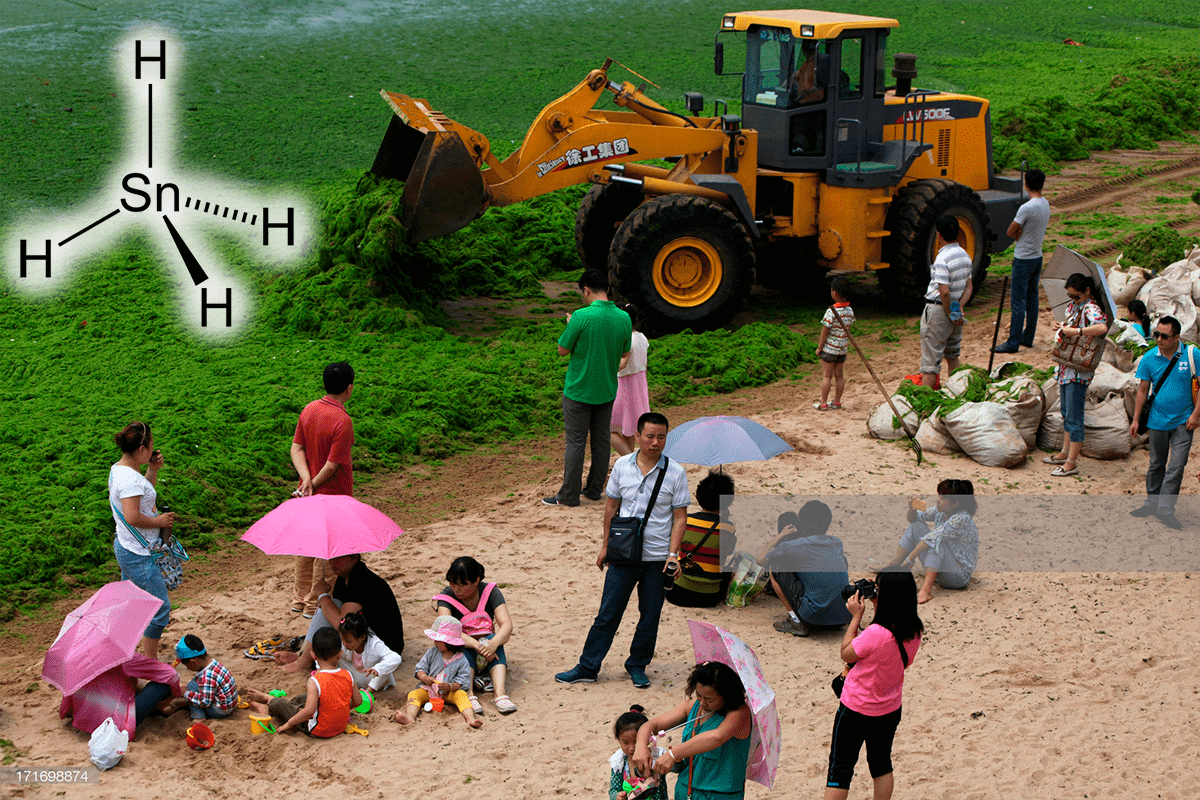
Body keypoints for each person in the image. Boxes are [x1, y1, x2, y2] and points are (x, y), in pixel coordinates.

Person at [556, 412, 690, 688]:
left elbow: (680, 517)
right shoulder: (621, 466)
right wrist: (605, 545)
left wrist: (673, 555)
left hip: (657, 559)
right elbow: (611, 506)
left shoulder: (675, 472)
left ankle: (637, 665)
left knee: (650, 616)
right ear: (637, 436)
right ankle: (588, 666)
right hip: (623, 553)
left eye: (661, 437)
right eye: (650, 436)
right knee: (608, 613)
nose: (655, 442)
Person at [823, 569, 923, 800]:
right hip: (888, 710)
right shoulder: (914, 631)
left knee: (840, 771)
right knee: (881, 765)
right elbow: (900, 660)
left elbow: (846, 654)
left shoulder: (876, 633)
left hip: (855, 710)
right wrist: (879, 601)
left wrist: (856, 616)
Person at [544, 269, 632, 507]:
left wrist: (571, 324)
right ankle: (594, 490)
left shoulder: (581, 316)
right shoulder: (624, 318)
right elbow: (625, 353)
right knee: (601, 441)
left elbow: (563, 349)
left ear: (587, 289)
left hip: (578, 390)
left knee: (575, 442)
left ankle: (569, 496)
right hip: (606, 389)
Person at [290, 361, 355, 617]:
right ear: (349, 388)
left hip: (307, 493)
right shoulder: (343, 420)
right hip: (333, 494)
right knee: (327, 553)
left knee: (306, 547)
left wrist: (305, 481)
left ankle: (298, 598)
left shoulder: (309, 410)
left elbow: (296, 448)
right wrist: (314, 483)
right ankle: (313, 601)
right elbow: (332, 466)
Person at [633, 661, 753, 800]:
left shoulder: (739, 713)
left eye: (709, 699)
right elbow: (651, 725)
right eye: (699, 695)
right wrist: (640, 747)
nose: (702, 703)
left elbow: (716, 737)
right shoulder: (693, 706)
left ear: (726, 695)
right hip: (686, 791)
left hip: (720, 795)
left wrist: (673, 754)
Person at [109, 421, 178, 660]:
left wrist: (153, 470)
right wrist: (159, 521)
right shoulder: (129, 479)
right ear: (141, 449)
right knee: (160, 608)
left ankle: (122, 651)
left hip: (127, 546)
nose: (152, 450)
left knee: (132, 604)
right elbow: (132, 515)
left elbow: (142, 494)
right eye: (150, 446)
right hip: (138, 553)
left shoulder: (121, 469)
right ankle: (150, 661)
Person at [277, 553, 404, 674]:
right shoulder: (343, 579)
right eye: (331, 558)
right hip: (363, 636)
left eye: (338, 558)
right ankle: (303, 655)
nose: (332, 562)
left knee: (330, 605)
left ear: (354, 556)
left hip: (384, 647)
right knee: (330, 606)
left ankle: (303, 662)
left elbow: (340, 622)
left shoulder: (362, 579)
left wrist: (323, 595)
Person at [1128, 315, 1200, 530]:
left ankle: (1166, 510)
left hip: (1183, 421)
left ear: (1176, 337)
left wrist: (1196, 414)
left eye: (1164, 336)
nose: (1159, 339)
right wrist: (1136, 419)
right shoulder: (1149, 358)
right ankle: (1152, 502)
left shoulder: (1192, 354)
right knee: (1156, 464)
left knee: (1176, 466)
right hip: (1157, 420)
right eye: (1156, 334)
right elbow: (1142, 390)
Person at [433, 556, 517, 714]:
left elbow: (506, 625)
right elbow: (445, 628)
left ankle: (500, 694)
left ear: (477, 580)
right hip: (461, 649)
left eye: (462, 585)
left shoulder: (491, 592)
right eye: (452, 583)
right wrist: (477, 645)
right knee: (461, 646)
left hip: (487, 650)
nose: (456, 589)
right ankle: (469, 693)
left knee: (494, 641)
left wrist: (493, 644)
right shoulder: (446, 596)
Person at [1045, 273, 1109, 477]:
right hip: (1067, 365)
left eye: (1076, 296)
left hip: (1078, 370)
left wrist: (1077, 332)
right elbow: (1068, 325)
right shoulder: (1074, 307)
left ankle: (1072, 461)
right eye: (1070, 296)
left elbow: (1102, 327)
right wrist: (1060, 326)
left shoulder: (1091, 307)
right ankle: (1065, 452)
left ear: (1087, 292)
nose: (1073, 299)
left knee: (1074, 415)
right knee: (1066, 411)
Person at [873, 480, 978, 604]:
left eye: (943, 498)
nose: (938, 499)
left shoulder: (961, 518)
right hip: (942, 569)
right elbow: (913, 519)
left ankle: (926, 591)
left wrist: (910, 559)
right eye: (939, 495)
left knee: (937, 542)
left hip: (958, 577)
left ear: (955, 504)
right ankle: (893, 565)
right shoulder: (942, 511)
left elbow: (931, 538)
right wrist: (911, 508)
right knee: (916, 526)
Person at [761, 500, 852, 636]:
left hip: (813, 619)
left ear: (801, 524)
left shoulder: (794, 545)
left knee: (776, 566)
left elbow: (761, 560)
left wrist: (781, 535)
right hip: (844, 616)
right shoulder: (836, 542)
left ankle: (796, 622)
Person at [245, 627, 354, 737]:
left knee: (282, 704)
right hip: (340, 727)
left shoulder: (315, 680)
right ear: (340, 654)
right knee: (304, 698)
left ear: (313, 655)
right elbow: (358, 701)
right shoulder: (348, 675)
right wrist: (339, 706)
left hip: (319, 730)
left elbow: (309, 711)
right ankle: (285, 705)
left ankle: (270, 701)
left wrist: (288, 724)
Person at [59, 653, 181, 740]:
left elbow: (67, 702)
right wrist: (173, 694)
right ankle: (164, 707)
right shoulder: (124, 658)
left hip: (84, 718)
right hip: (116, 722)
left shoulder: (80, 655)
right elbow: (171, 675)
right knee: (162, 686)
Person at [992, 169, 1049, 354]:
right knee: (1032, 299)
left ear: (1026, 185)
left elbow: (1010, 231)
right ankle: (1028, 337)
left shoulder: (1027, 207)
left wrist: (1017, 232)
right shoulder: (1045, 204)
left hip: (1023, 258)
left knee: (1018, 302)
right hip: (1037, 257)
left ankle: (1012, 342)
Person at [393, 617, 482, 729]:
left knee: (462, 696)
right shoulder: (432, 652)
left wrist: (450, 686)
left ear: (449, 643)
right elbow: (420, 668)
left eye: (438, 640)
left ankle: (470, 719)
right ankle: (410, 717)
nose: (434, 642)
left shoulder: (461, 659)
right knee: (414, 695)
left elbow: (463, 680)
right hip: (428, 689)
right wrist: (424, 678)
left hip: (450, 692)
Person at [664, 472, 736, 609]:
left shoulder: (685, 522)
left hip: (676, 593)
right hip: (709, 598)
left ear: (697, 497)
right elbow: (727, 554)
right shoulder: (728, 528)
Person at [919, 216, 973, 389]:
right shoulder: (965, 256)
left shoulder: (942, 259)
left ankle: (927, 401)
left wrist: (950, 313)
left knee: (930, 364)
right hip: (955, 310)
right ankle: (956, 393)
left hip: (938, 311)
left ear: (939, 235)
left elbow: (944, 291)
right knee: (952, 354)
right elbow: (969, 287)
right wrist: (958, 308)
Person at [165, 634, 238, 720]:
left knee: (191, 688)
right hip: (228, 703)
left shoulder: (207, 676)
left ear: (193, 663)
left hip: (220, 710)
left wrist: (186, 693)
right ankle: (184, 701)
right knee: (191, 685)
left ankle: (198, 717)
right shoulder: (213, 664)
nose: (187, 668)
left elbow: (204, 702)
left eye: (186, 665)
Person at [611, 304, 651, 457]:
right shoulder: (642, 338)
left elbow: (619, 365)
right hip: (639, 388)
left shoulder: (625, 339)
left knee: (607, 430)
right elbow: (644, 366)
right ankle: (630, 460)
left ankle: (630, 459)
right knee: (628, 430)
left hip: (624, 387)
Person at [610, 705, 667, 800]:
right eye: (625, 742)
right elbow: (613, 790)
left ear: (648, 738)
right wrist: (618, 796)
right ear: (618, 739)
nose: (631, 748)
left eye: (636, 741)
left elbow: (676, 768)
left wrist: (675, 759)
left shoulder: (657, 756)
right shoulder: (619, 763)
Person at [339, 611, 403, 694]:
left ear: (362, 637)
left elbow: (396, 658)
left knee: (385, 667)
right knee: (335, 656)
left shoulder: (374, 644)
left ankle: (368, 692)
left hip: (371, 679)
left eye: (348, 641)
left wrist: (377, 669)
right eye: (342, 640)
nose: (344, 643)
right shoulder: (344, 644)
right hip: (355, 677)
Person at [815, 277, 855, 410]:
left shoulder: (830, 312)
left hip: (830, 349)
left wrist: (820, 347)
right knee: (840, 376)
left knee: (827, 376)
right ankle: (837, 401)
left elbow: (825, 331)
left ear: (834, 293)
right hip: (842, 349)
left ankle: (824, 402)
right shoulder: (849, 311)